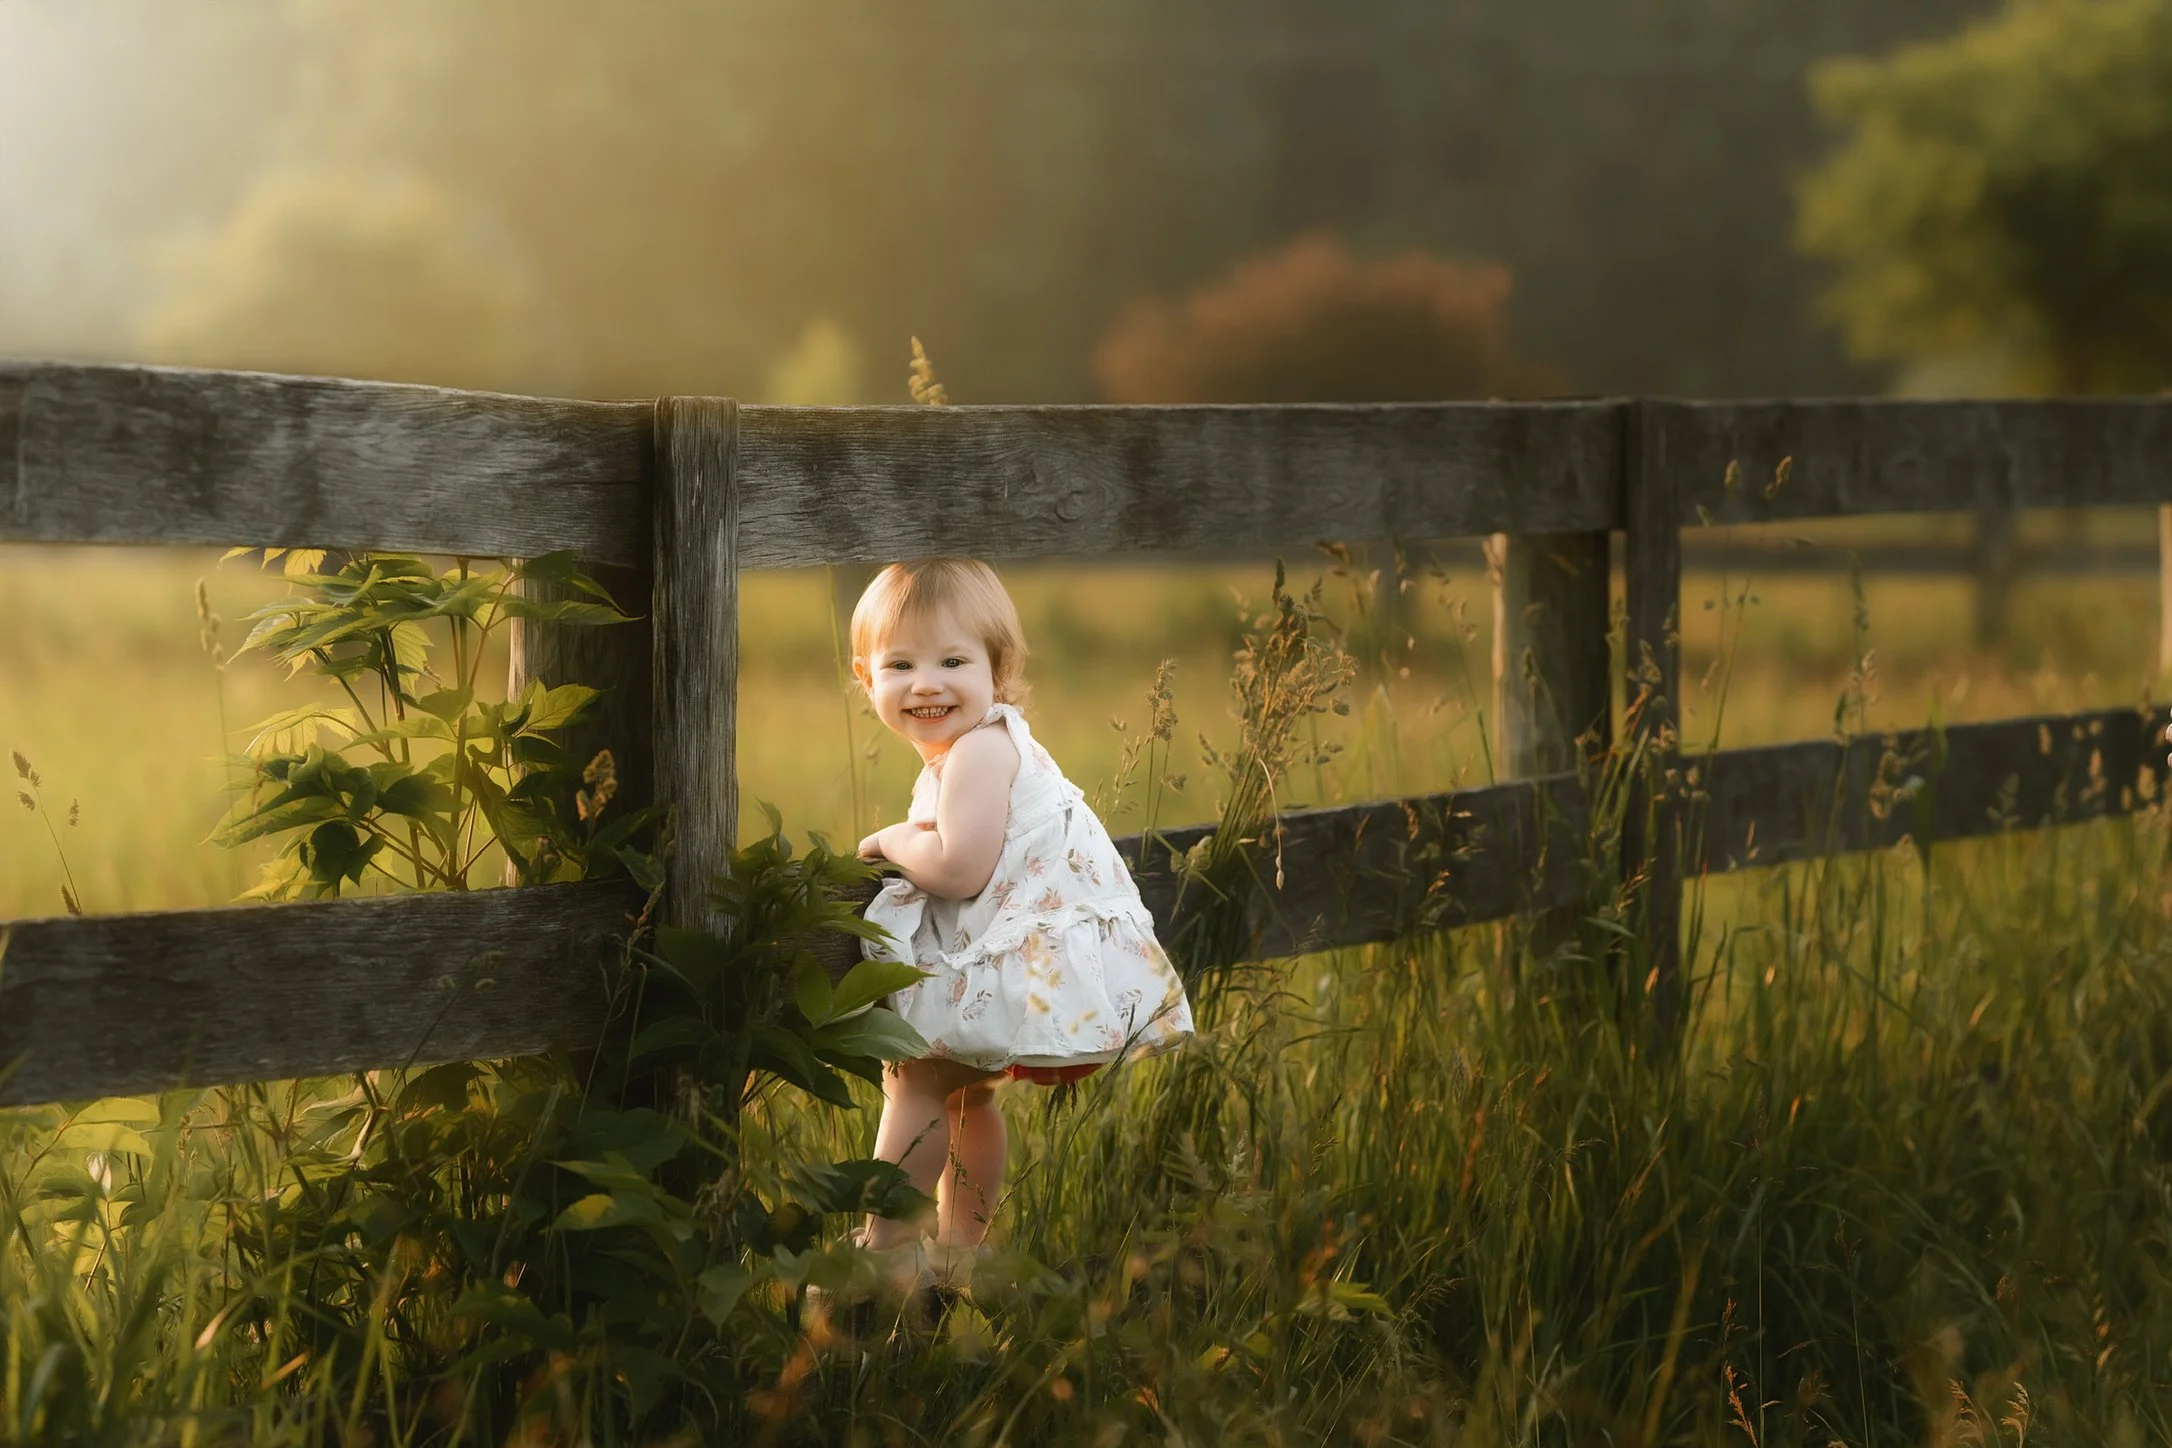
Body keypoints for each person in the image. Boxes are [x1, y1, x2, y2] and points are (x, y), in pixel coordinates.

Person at [846, 557, 1192, 1289]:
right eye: (900, 663)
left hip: (1019, 950)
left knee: (916, 1083)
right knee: (968, 1093)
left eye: (952, 660)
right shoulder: (985, 745)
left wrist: (893, 842)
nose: (926, 682)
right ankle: (962, 1251)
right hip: (1025, 948)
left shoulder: (976, 752)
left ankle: (886, 1254)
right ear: (865, 678)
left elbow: (960, 868)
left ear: (996, 671)